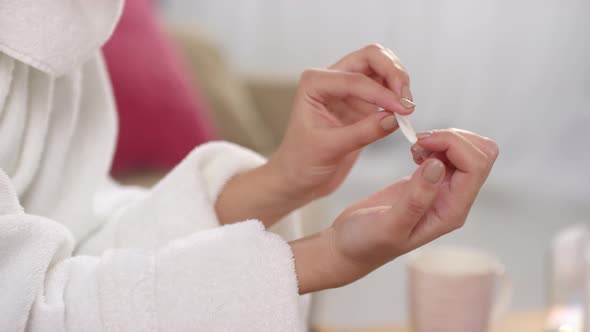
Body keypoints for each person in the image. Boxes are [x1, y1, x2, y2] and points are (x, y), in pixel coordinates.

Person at [0, 1, 498, 331]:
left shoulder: (64, 20)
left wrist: (284, 179)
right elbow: (27, 311)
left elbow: (79, 241)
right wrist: (323, 258)